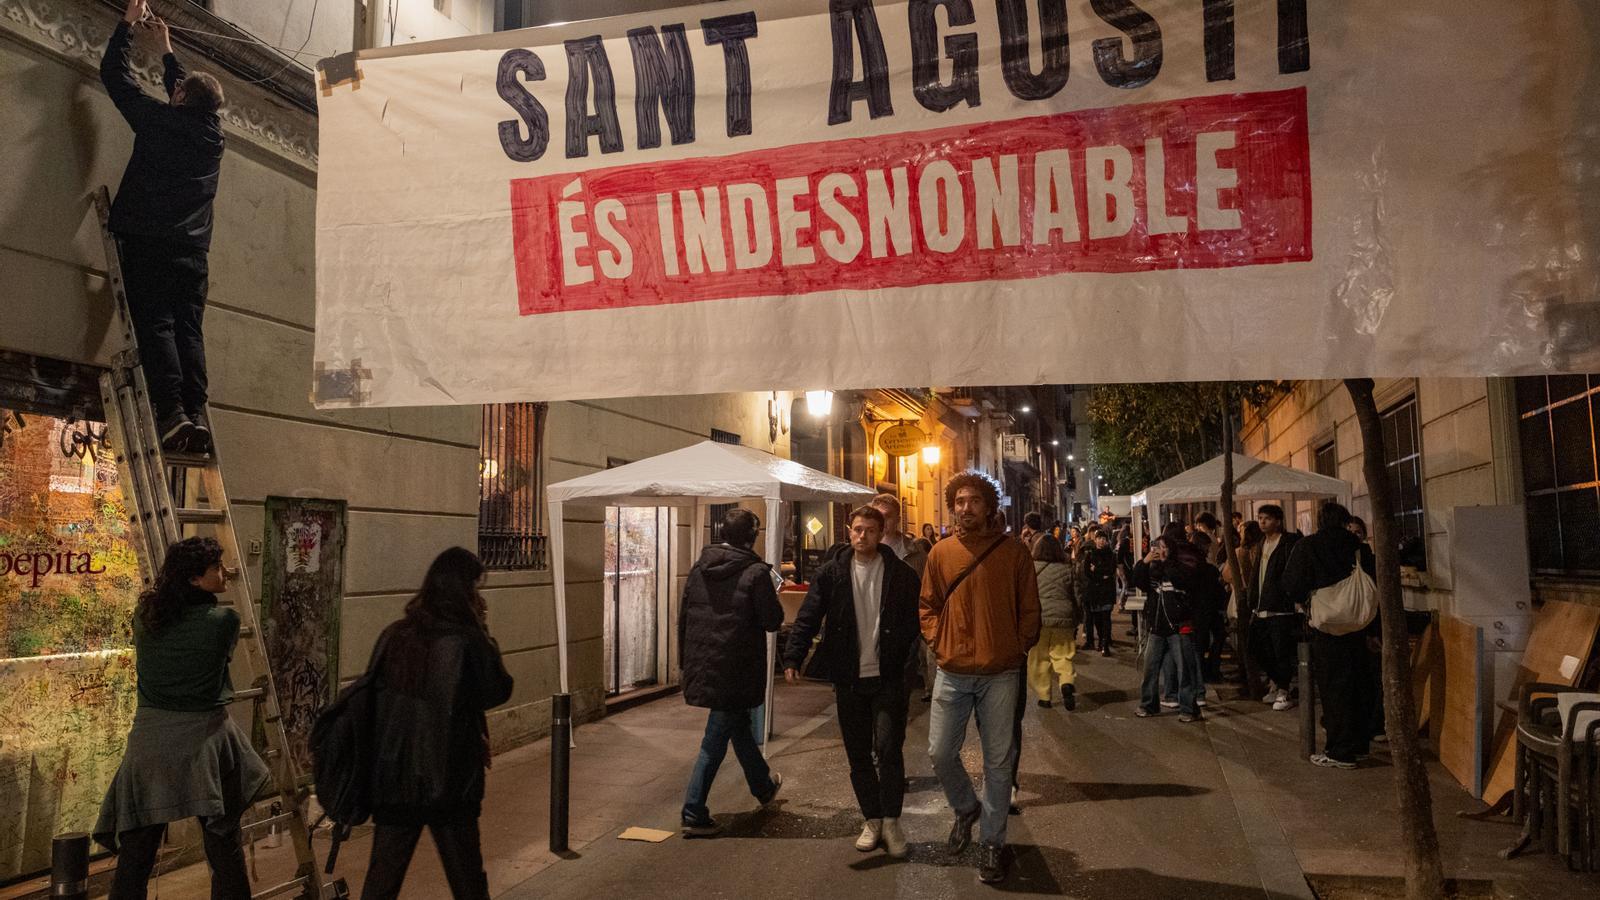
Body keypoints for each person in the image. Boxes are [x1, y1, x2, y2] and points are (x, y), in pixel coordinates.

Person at [95, 537, 265, 900]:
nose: (226, 572)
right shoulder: (224, 621)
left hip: (149, 745)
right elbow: (220, 661)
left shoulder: (145, 617)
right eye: (216, 568)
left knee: (137, 853)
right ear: (193, 579)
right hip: (203, 745)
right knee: (223, 846)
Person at [101, 0, 226, 454]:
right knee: (188, 330)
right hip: (193, 254)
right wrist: (168, 52)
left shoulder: (158, 123)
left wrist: (128, 26)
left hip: (150, 244)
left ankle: (171, 414)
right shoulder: (214, 138)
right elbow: (191, 97)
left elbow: (117, 79)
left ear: (178, 100)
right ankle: (193, 414)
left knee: (156, 326)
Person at [360, 548, 514, 900]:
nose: (479, 595)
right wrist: (483, 632)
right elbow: (498, 689)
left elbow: (374, 696)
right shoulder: (466, 640)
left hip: (394, 777)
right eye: (475, 587)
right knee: (467, 881)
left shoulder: (395, 634)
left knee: (382, 882)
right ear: (464, 591)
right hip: (450, 780)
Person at [922, 473, 1041, 885]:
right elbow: (928, 605)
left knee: (998, 759)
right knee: (939, 751)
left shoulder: (1013, 553)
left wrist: (1018, 647)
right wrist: (938, 639)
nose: (965, 507)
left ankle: (992, 841)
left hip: (1000, 671)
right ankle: (965, 807)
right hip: (951, 669)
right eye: (959, 501)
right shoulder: (940, 553)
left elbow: (1030, 607)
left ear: (988, 506)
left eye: (973, 500)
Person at [783, 506, 920, 856]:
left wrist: (909, 660)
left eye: (870, 530)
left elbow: (915, 620)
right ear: (849, 531)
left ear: (881, 531)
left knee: (888, 749)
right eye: (858, 530)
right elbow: (810, 614)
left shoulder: (901, 574)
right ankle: (872, 818)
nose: (863, 536)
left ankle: (891, 820)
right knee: (858, 752)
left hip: (888, 676)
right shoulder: (831, 573)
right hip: (849, 677)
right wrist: (793, 656)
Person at [680, 508, 785, 835]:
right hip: (736, 667)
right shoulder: (755, 573)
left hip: (705, 662)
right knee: (714, 740)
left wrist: (687, 661)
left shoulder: (699, 568)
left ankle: (763, 786)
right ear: (752, 537)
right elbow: (773, 621)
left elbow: (683, 616)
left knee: (737, 728)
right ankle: (693, 811)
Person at [1284, 502, 1378, 769]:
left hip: (1327, 627)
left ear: (1320, 520)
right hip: (1358, 627)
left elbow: (1291, 584)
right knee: (1358, 686)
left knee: (1333, 689)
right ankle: (1360, 745)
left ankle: (1340, 751)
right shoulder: (1359, 548)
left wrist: (1308, 598)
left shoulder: (1309, 546)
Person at [1131, 525, 1217, 723]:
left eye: (1162, 547)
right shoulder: (1152, 570)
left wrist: (1166, 562)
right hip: (1157, 627)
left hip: (1179, 626)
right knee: (1150, 669)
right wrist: (1144, 562)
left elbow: (1182, 581)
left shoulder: (1180, 567)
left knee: (1184, 669)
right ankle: (1148, 704)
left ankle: (1188, 707)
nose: (1158, 550)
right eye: (1155, 547)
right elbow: (1137, 581)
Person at [1250, 505, 1303, 711]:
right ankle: (1277, 683)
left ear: (1278, 521)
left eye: (1267, 519)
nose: (1262, 522)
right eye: (1260, 518)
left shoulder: (1289, 543)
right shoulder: (1262, 542)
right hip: (1262, 606)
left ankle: (1283, 690)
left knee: (1281, 651)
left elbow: (1292, 573)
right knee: (1260, 648)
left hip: (1281, 607)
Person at [1027, 534, 1080, 709]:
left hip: (1039, 619)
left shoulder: (1032, 568)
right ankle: (1066, 682)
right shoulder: (1067, 568)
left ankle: (1044, 696)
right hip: (1064, 618)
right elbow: (1076, 595)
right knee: (1063, 655)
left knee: (1039, 658)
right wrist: (1077, 616)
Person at [1081, 529, 1118, 656]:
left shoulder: (1111, 554)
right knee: (1097, 619)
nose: (1101, 541)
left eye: (1104, 539)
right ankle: (1102, 640)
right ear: (1095, 540)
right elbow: (1087, 572)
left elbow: (1111, 570)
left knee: (1106, 618)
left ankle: (1105, 644)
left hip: (1107, 591)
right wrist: (1101, 575)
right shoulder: (1090, 554)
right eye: (1099, 538)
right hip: (1095, 592)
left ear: (1107, 541)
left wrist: (1096, 569)